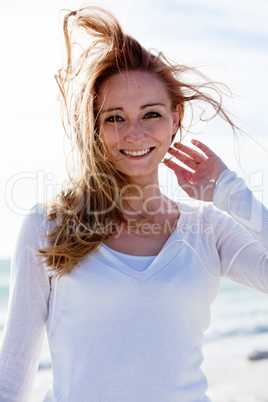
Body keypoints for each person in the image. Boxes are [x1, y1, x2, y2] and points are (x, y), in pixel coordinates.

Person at [0, 5, 267, 402]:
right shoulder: (49, 225)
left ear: (175, 118)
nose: (134, 133)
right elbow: (13, 372)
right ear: (94, 125)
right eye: (114, 118)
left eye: (151, 114)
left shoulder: (208, 229)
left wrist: (231, 193)